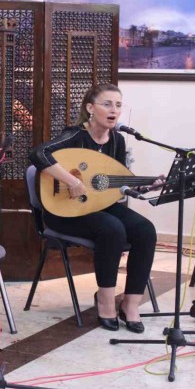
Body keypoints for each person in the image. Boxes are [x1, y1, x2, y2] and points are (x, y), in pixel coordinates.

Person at [29, 83, 158, 333]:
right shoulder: (75, 135)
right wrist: (72, 181)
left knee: (145, 230)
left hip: (100, 205)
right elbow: (38, 154)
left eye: (118, 105)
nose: (114, 110)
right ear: (90, 108)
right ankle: (106, 300)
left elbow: (116, 184)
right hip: (62, 210)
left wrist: (144, 185)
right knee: (112, 229)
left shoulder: (117, 140)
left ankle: (131, 303)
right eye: (107, 104)